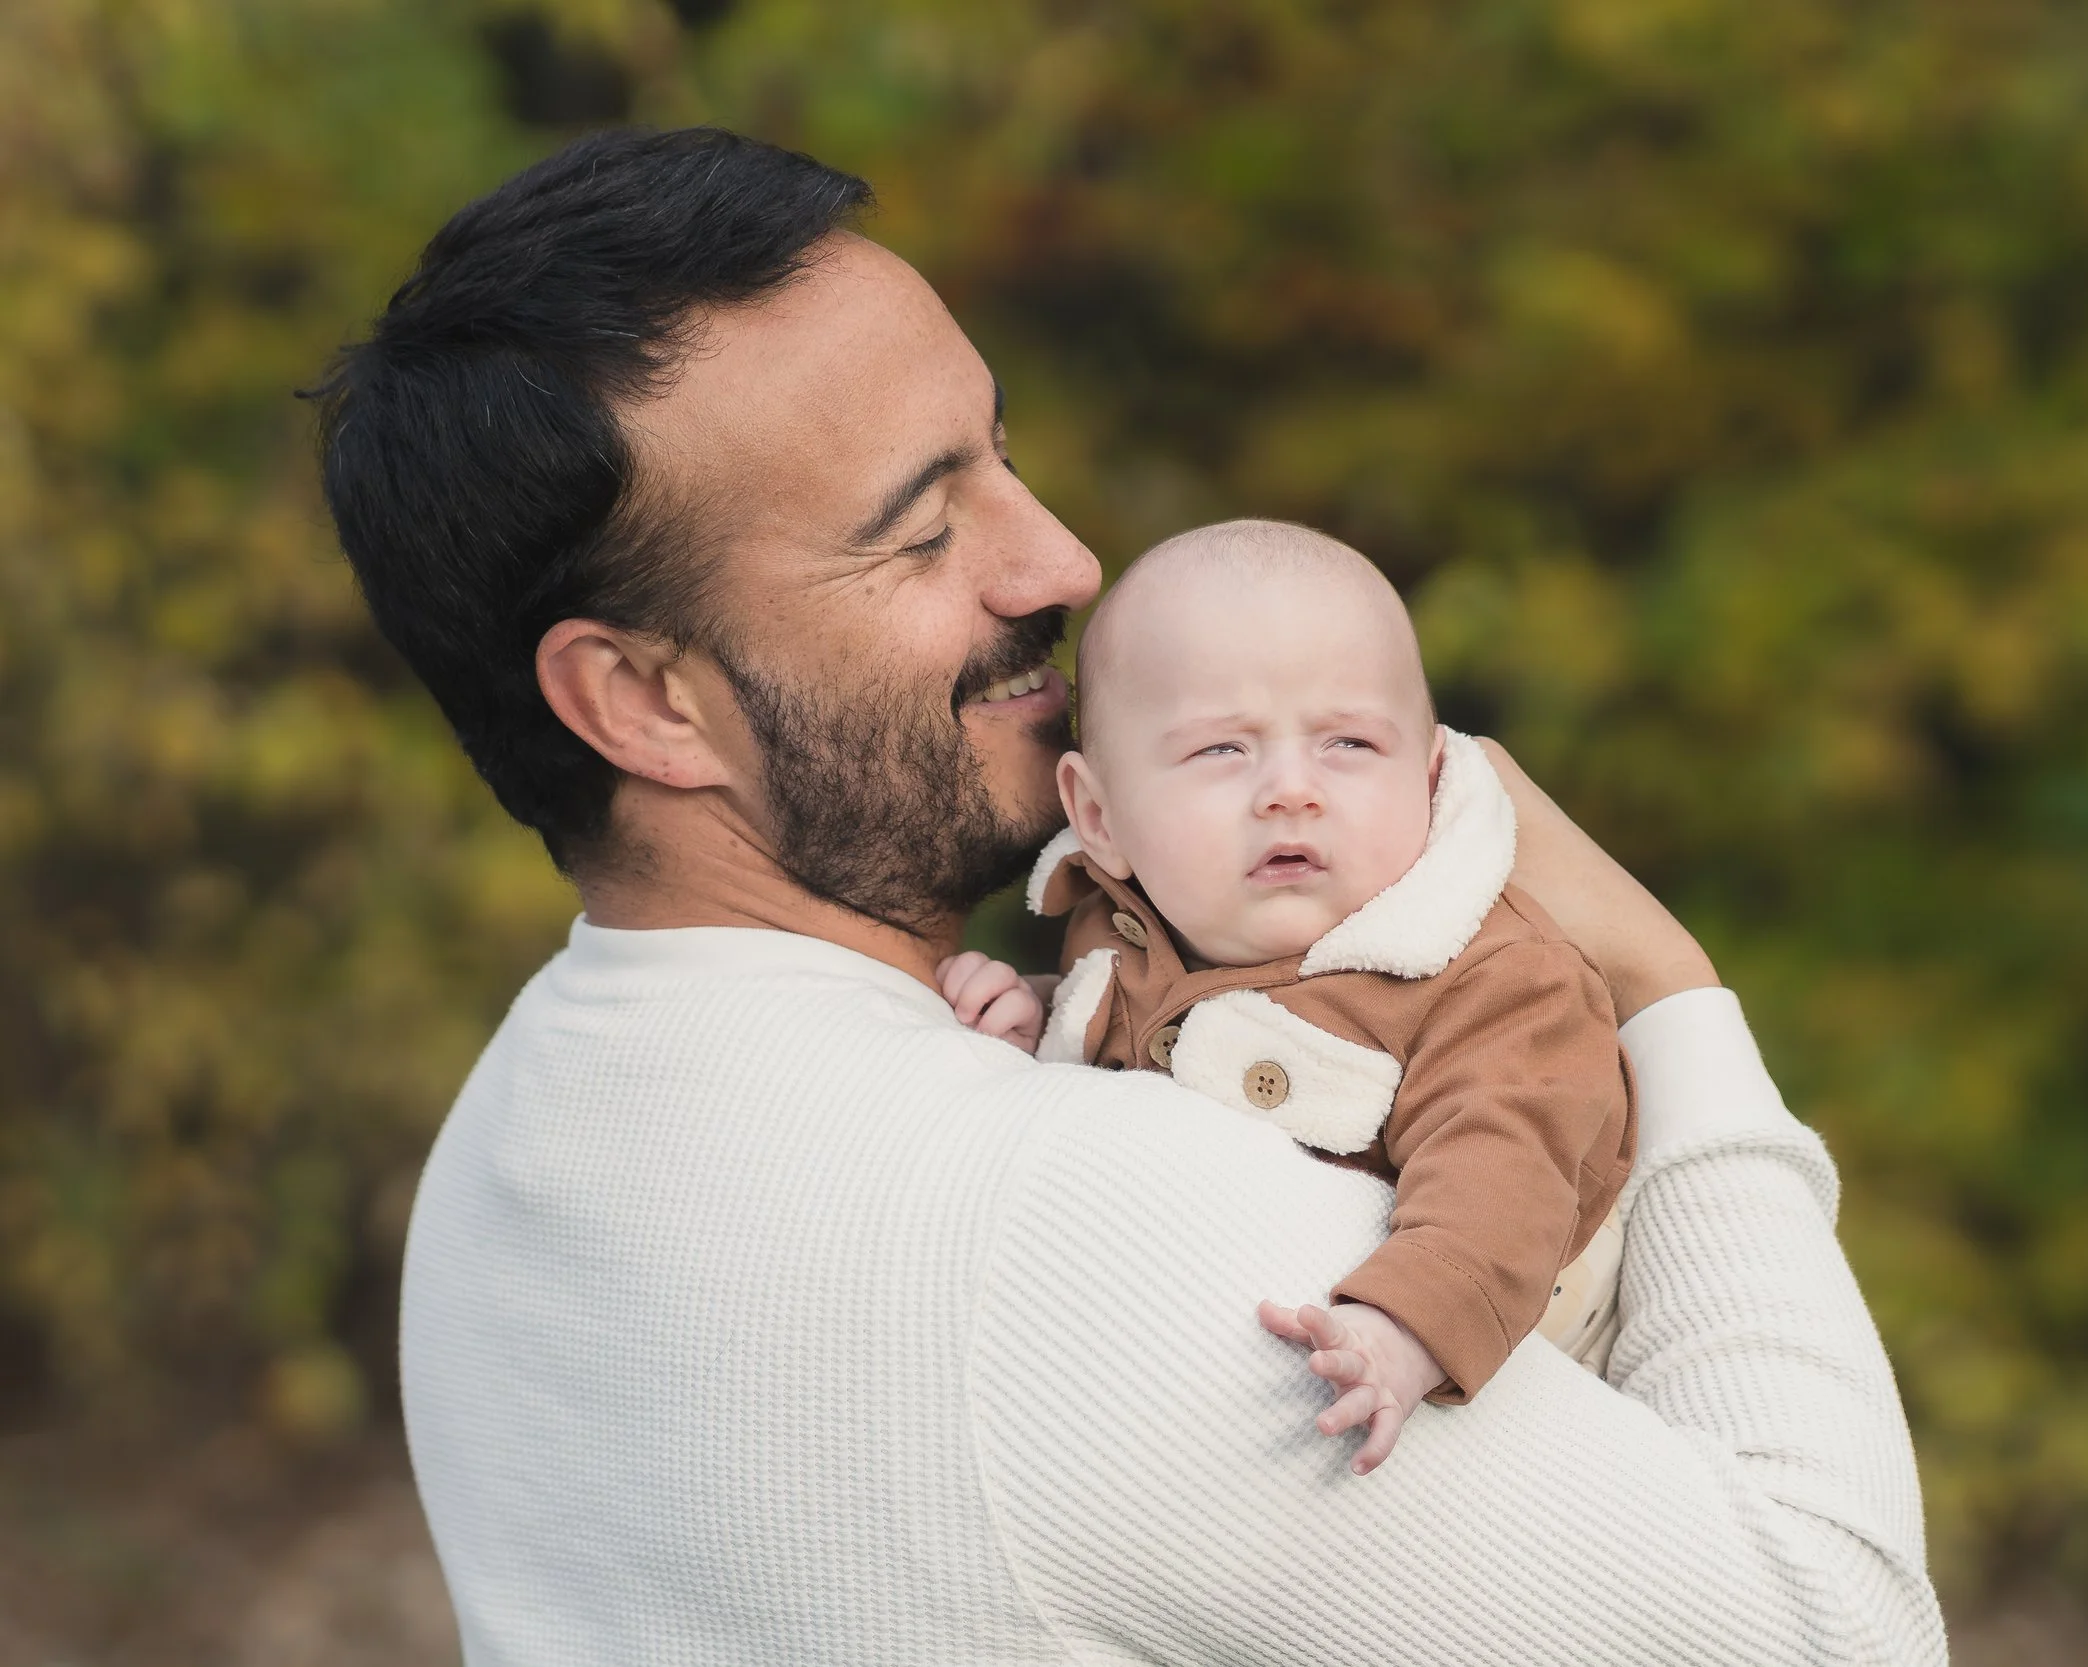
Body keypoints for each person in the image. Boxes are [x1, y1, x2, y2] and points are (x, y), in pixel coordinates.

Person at [319, 125, 1947, 1665]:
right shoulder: (1079, 1221)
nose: (1060, 564)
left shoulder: (503, 1153)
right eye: (920, 532)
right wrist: (1666, 988)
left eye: (1001, 456)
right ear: (642, 701)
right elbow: (1843, 1629)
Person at [936, 519, 1636, 1475]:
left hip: (1529, 1388)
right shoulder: (1121, 927)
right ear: (1099, 817)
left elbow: (1504, 1169)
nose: (1291, 790)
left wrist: (1404, 1327)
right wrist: (1040, 1014)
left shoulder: (1499, 982)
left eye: (1349, 741)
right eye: (1223, 750)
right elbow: (1144, 1045)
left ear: (1429, 778)